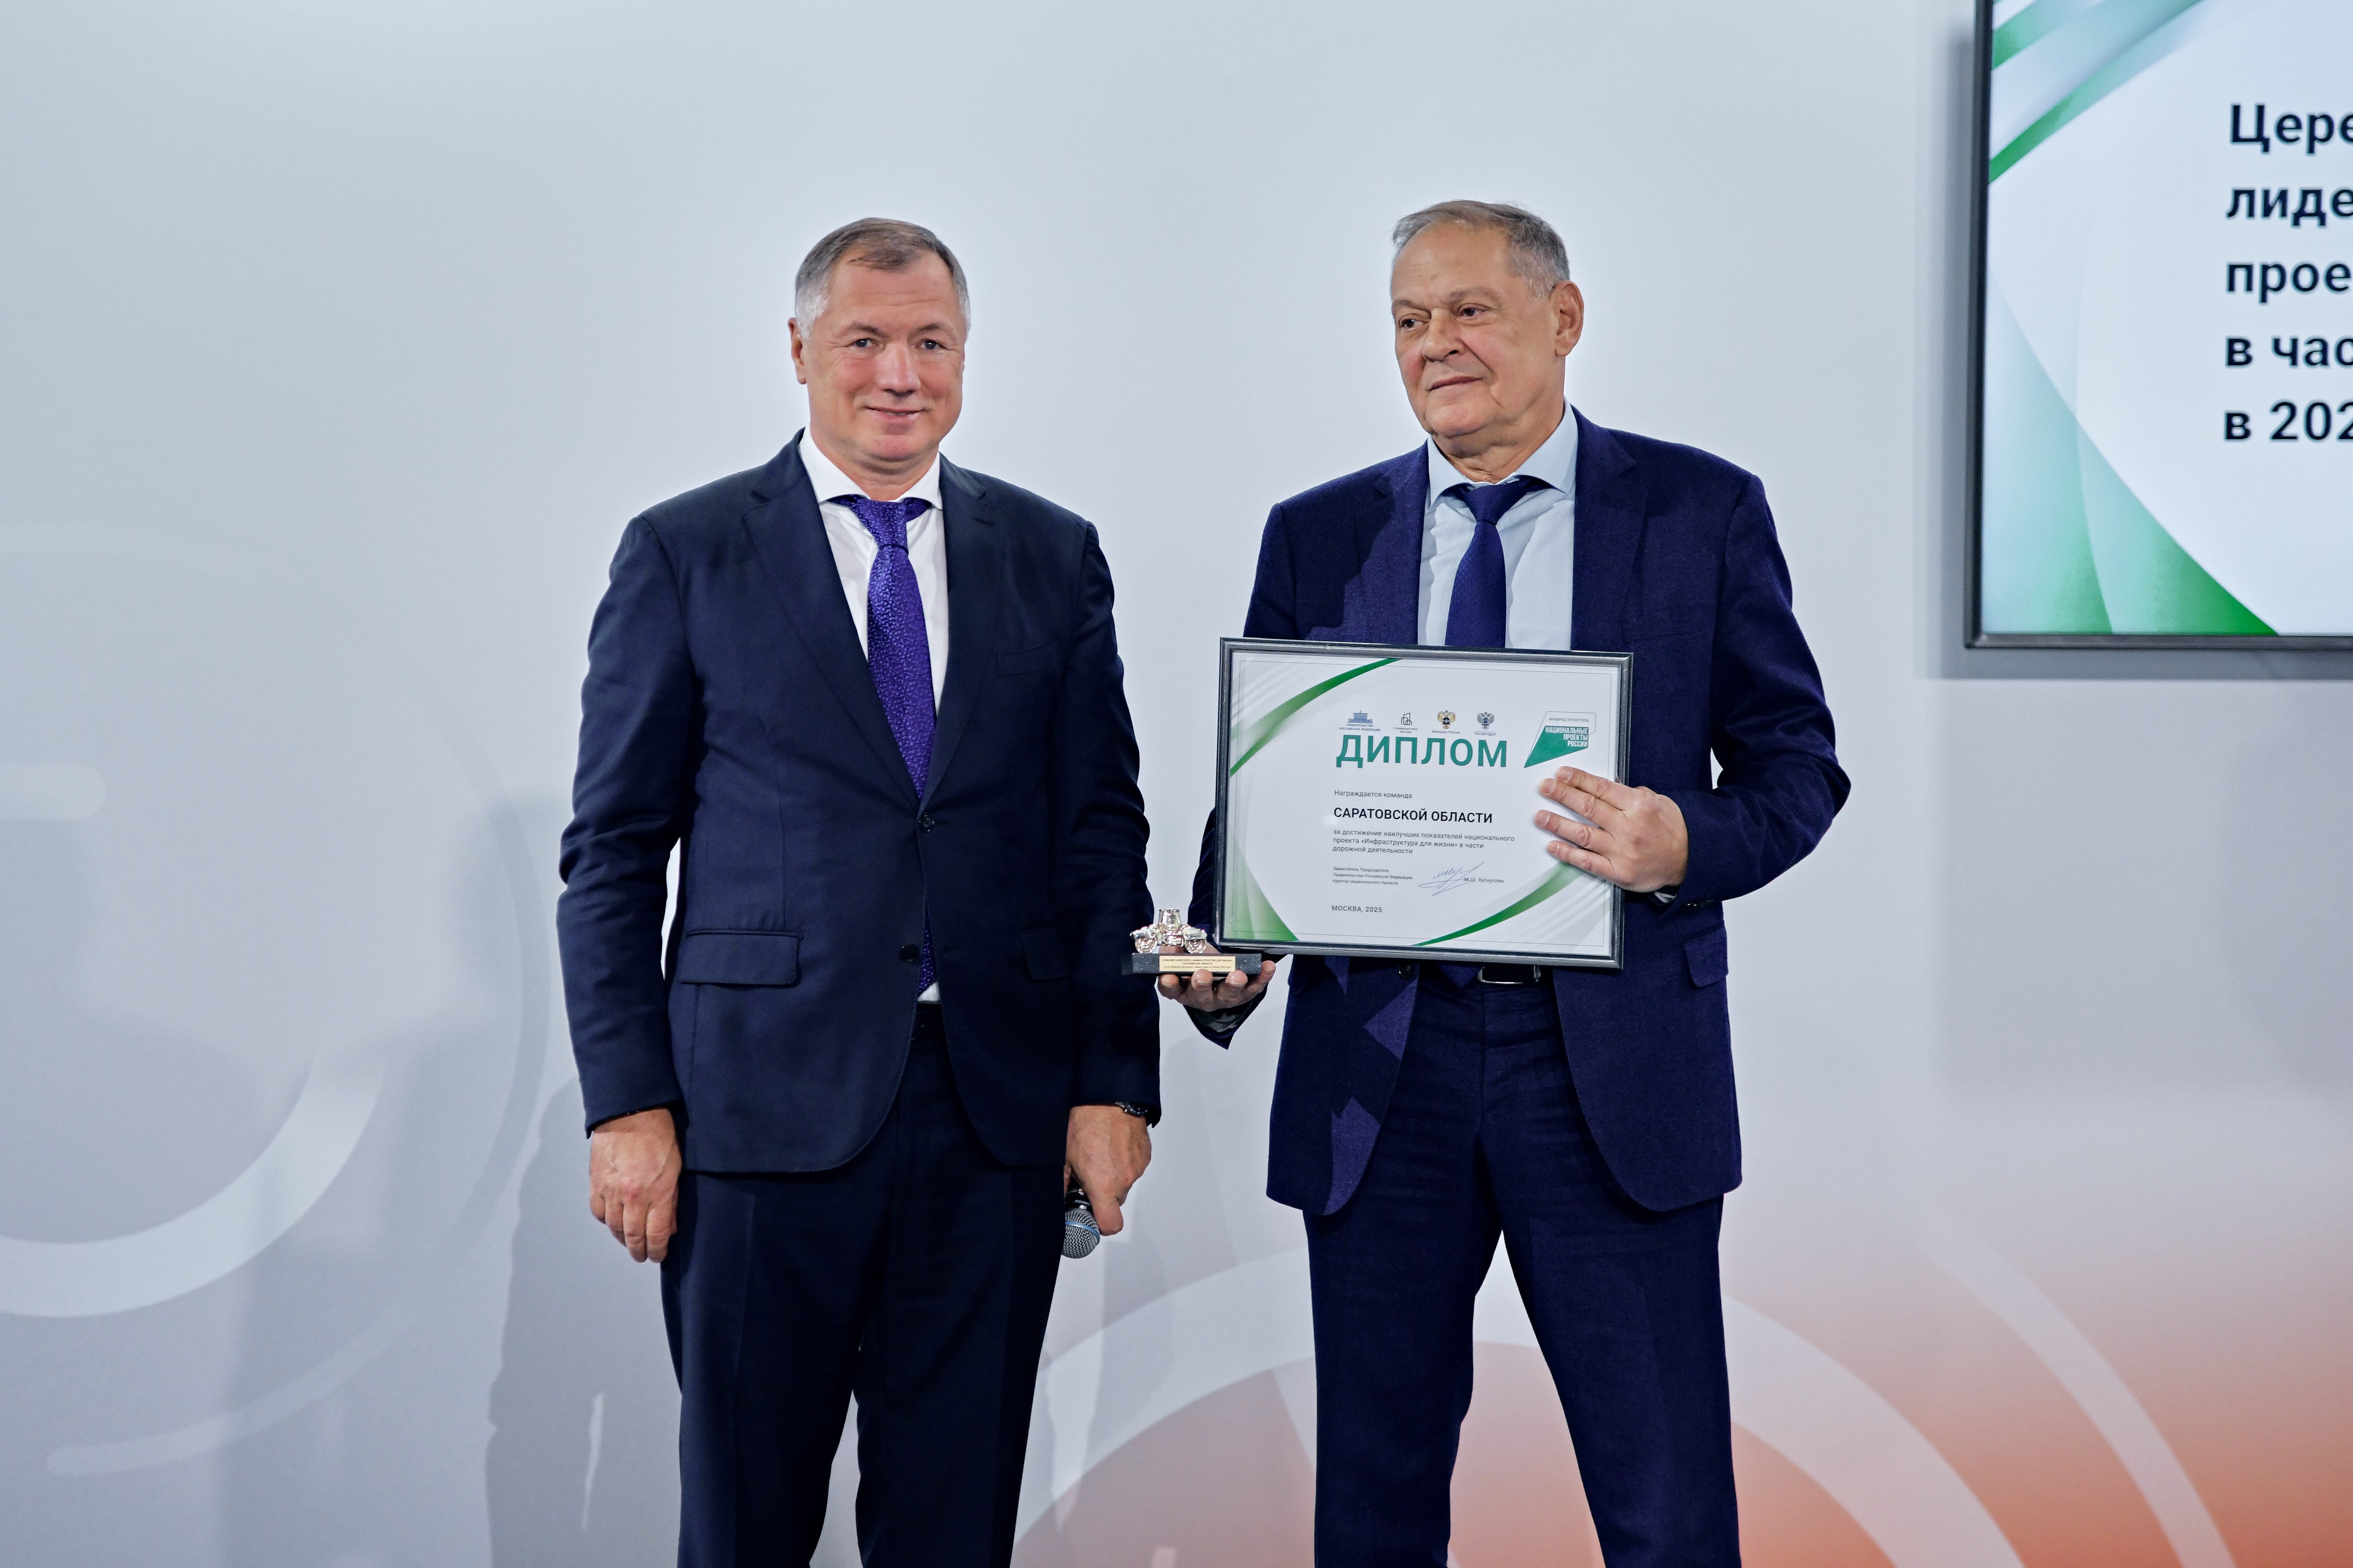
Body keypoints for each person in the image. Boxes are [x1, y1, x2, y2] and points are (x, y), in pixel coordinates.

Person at [1163, 200, 1848, 1566]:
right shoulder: (1319, 531)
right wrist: (1227, 947)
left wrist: (1679, 844)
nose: (1436, 345)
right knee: (1373, 1498)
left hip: (1606, 1065)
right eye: (1409, 320)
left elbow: (1796, 767)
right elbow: (1274, 787)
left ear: (1563, 319)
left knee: (1663, 1503)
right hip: (1382, 1068)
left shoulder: (1698, 511)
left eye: (1469, 311)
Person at [556, 217, 1160, 1568]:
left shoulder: (1051, 553)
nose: (901, 374)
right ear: (800, 350)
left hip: (993, 1120)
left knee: (956, 1529)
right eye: (866, 341)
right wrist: (627, 1103)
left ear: (966, 353)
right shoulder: (687, 550)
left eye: (931, 342)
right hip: (755, 1121)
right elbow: (614, 854)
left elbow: (1097, 838)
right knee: (746, 1525)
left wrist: (1115, 1080)